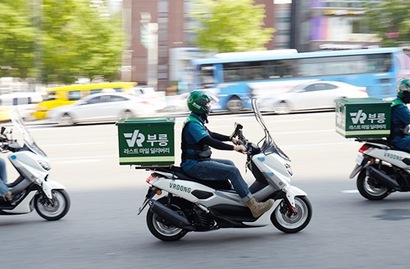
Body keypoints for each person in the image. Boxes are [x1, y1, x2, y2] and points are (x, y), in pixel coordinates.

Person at [180, 90, 273, 218]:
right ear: (199, 106)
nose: (209, 106)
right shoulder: (193, 125)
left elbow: (211, 134)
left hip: (199, 161)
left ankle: (242, 196)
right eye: (207, 104)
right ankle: (253, 206)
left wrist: (230, 138)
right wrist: (234, 148)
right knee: (232, 171)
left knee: (230, 164)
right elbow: (210, 141)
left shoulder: (196, 120)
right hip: (194, 165)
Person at [390, 78, 410, 151]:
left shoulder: (396, 102)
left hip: (399, 136)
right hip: (399, 140)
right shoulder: (400, 107)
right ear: (404, 93)